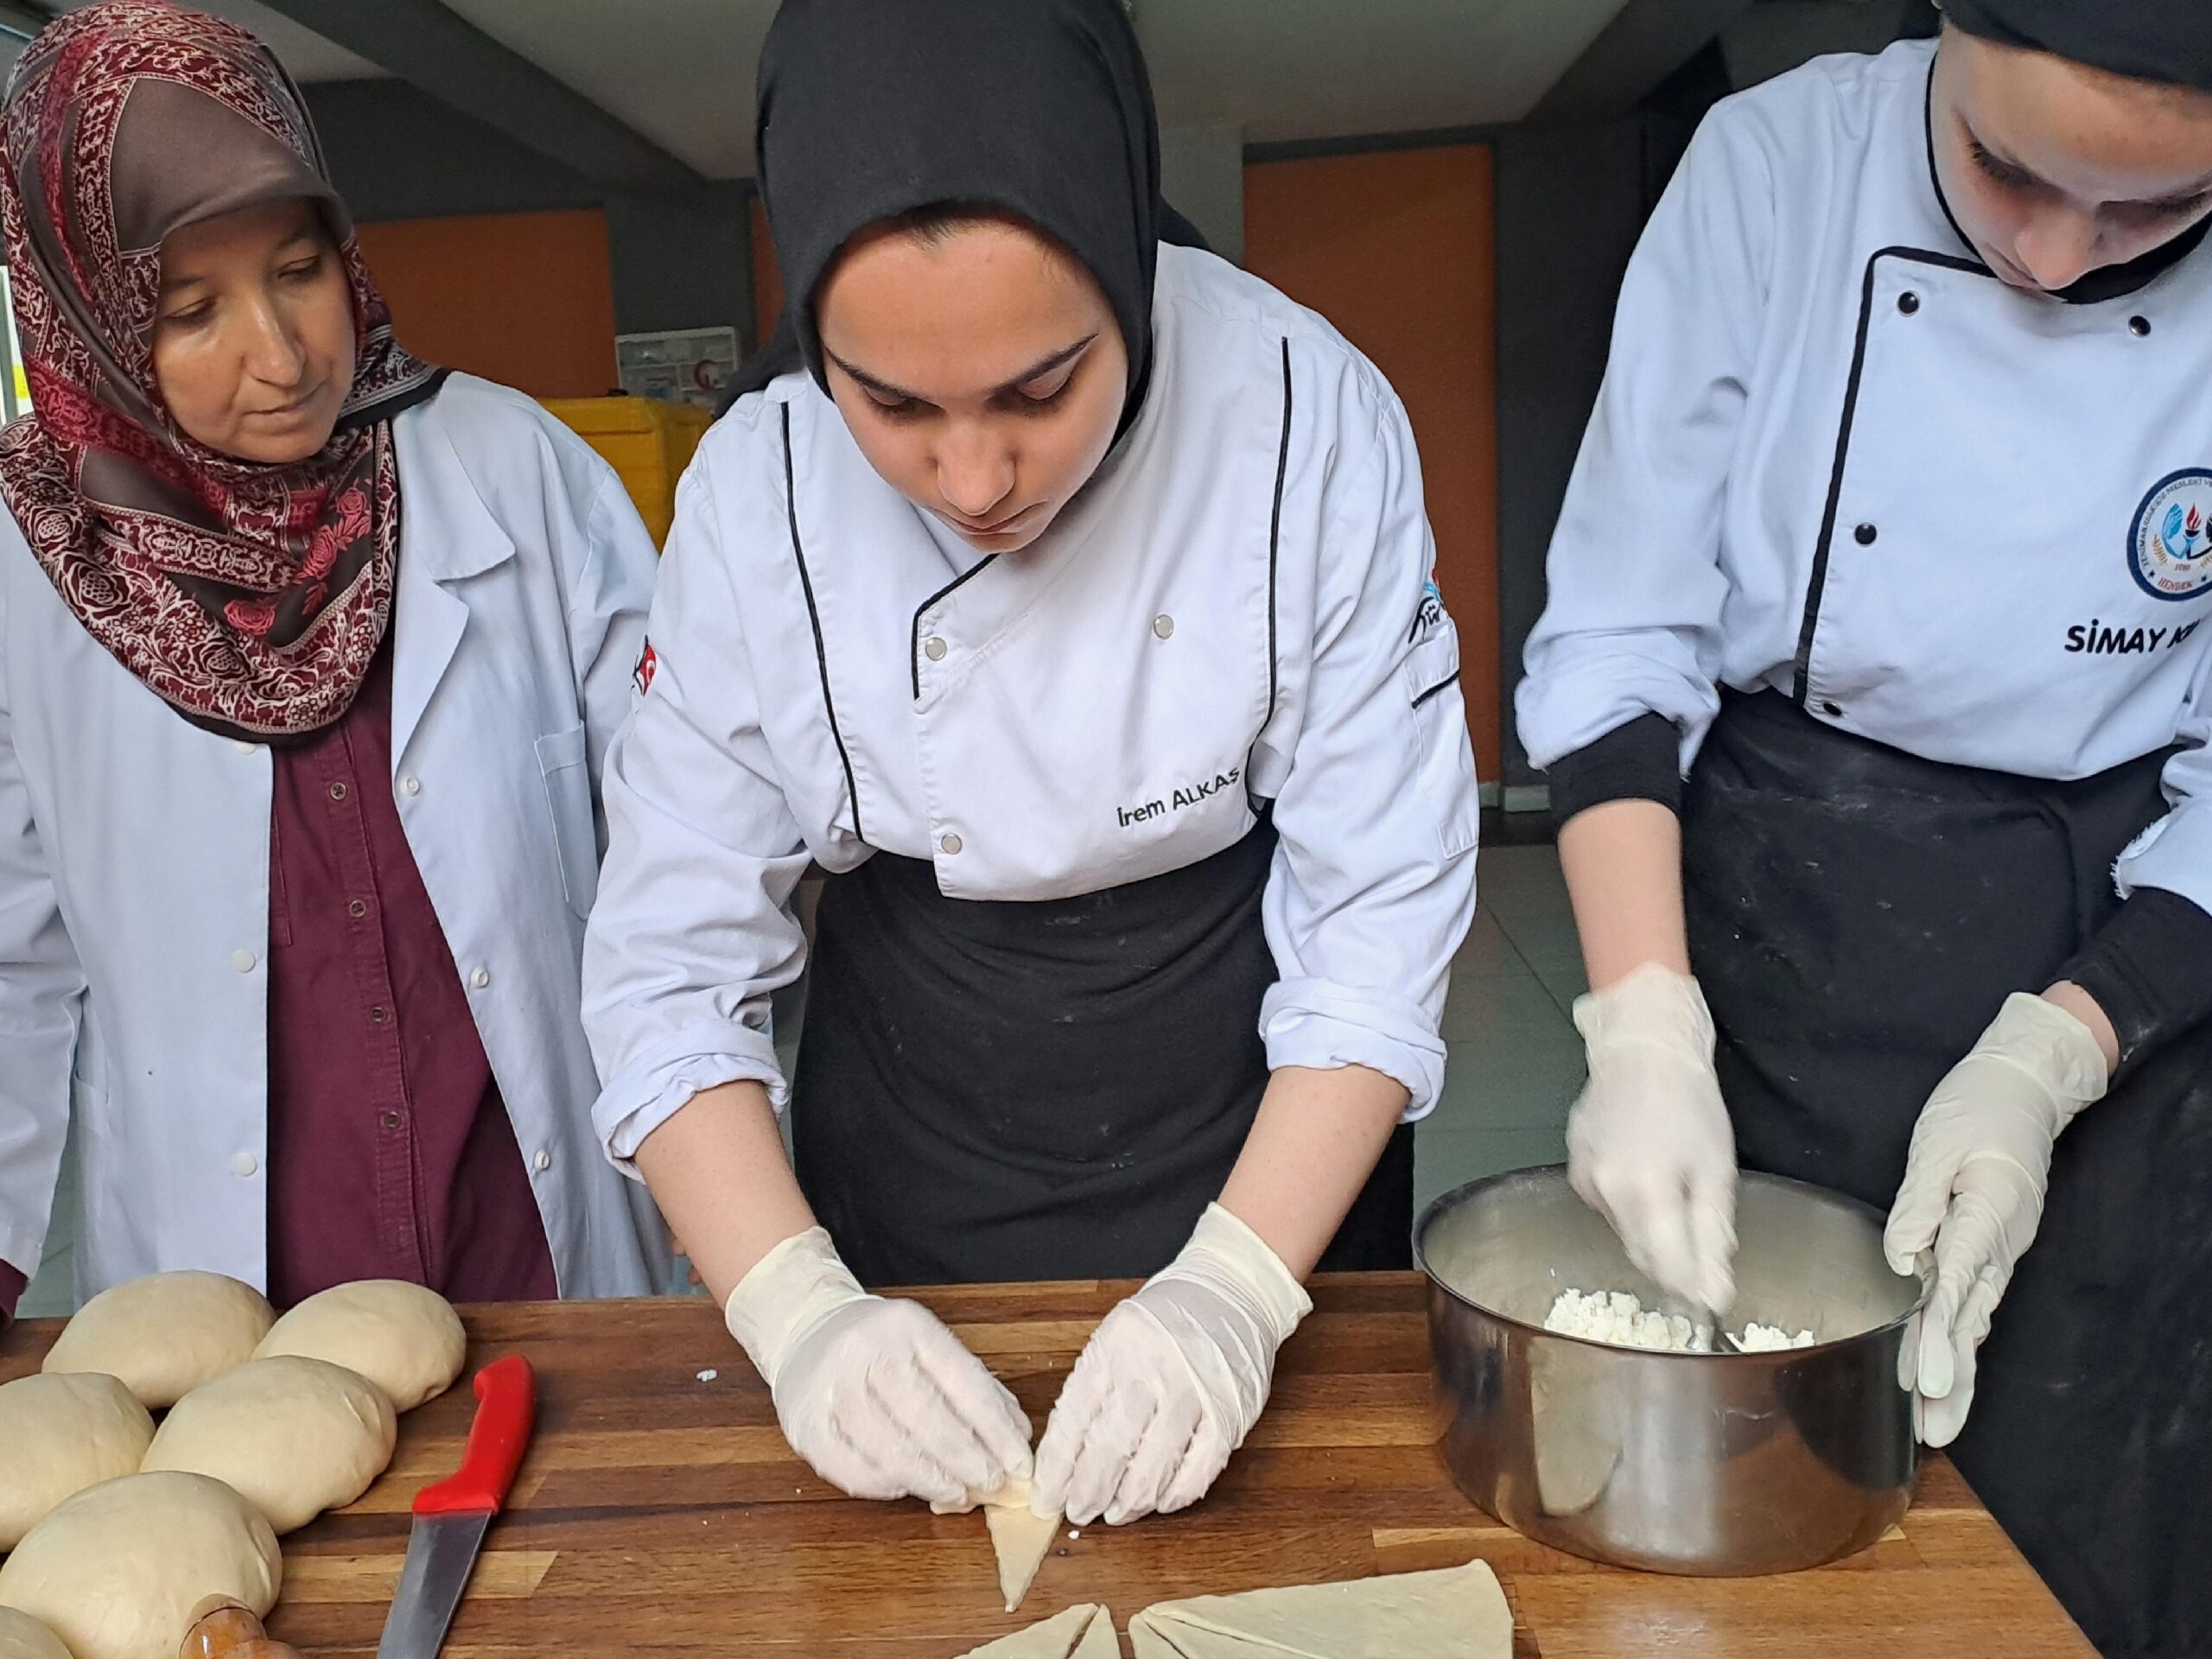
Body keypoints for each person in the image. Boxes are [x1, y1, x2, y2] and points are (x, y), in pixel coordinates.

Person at [583, 0, 1478, 1531]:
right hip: (914, 1112)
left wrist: (1241, 1290)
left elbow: (1380, 918)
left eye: (1042, 387)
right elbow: (670, 972)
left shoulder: (1302, 414)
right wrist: (798, 1313)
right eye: (894, 406)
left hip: (1256, 1096)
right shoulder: (756, 494)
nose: (979, 478)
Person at [1518, 3, 2212, 1652]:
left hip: (2130, 932)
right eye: (2008, 170)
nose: (2053, 261)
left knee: (2079, 1506)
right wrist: (1644, 1021)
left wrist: (2054, 1058)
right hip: (1787, 900)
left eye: (2155, 212)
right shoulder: (1775, 169)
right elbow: (1622, 635)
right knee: (1757, 1473)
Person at [0, 0, 675, 1319]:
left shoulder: (508, 468)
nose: (283, 354)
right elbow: (8, 960)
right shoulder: (35, 563)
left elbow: (681, 835)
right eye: (192, 310)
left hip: (529, 1242)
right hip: (237, 1278)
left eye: (299, 270)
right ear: (86, 316)